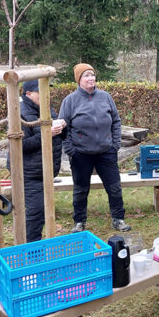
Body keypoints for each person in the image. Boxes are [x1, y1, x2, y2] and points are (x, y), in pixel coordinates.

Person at [61, 63, 131, 233]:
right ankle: (79, 222)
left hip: (106, 152)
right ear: (78, 80)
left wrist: (115, 145)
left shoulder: (106, 97)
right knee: (80, 189)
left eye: (92, 74)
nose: (91, 78)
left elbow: (116, 121)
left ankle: (118, 219)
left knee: (114, 188)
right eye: (86, 75)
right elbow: (63, 127)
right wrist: (71, 150)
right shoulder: (70, 101)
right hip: (81, 154)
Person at [19, 79, 66, 242]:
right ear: (29, 94)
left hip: (46, 170)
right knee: (36, 212)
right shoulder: (20, 113)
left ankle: (37, 249)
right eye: (41, 91)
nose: (46, 94)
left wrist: (62, 128)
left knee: (44, 212)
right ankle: (32, 253)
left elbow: (57, 138)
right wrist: (47, 134)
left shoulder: (47, 109)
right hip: (29, 172)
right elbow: (21, 145)